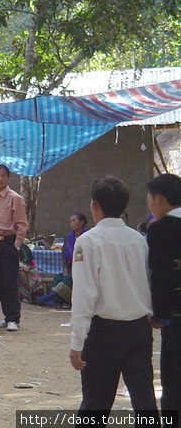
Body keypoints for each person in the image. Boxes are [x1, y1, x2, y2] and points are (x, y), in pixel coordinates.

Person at [70, 175, 158, 422]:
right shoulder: (138, 240)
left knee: (96, 403)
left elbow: (84, 295)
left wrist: (77, 341)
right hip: (138, 329)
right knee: (144, 400)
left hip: (104, 331)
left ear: (94, 205)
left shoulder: (87, 241)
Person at [146, 174, 181, 417]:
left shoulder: (160, 229)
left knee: (173, 376)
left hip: (176, 316)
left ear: (159, 199)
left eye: (148, 198)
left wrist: (159, 314)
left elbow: (160, 275)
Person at [0, 164, 28, 331]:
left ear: (7, 177)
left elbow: (22, 224)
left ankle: (14, 318)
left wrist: (16, 246)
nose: (0, 179)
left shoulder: (15, 198)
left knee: (10, 281)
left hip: (9, 243)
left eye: (2, 175)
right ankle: (6, 315)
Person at [37, 212, 87, 307]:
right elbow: (64, 255)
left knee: (68, 279)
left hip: (81, 269)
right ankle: (59, 301)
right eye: (70, 221)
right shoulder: (68, 238)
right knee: (58, 278)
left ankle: (49, 297)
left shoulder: (86, 237)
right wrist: (65, 268)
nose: (71, 223)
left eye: (74, 220)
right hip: (69, 269)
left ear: (81, 222)